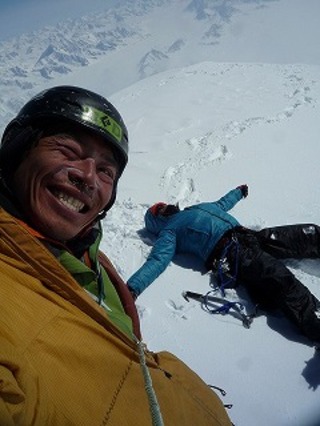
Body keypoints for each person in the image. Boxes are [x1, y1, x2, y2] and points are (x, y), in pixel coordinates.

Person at [0, 86, 232, 426]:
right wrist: (136, 287)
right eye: (66, 150)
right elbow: (158, 260)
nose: (88, 177)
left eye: (106, 171)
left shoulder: (88, 255)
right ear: (16, 152)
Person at [127, 186, 320, 347]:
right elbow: (158, 260)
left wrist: (237, 192)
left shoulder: (195, 208)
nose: (165, 207)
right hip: (235, 254)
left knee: (306, 234)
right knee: (281, 279)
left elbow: (221, 204)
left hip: (250, 237)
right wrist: (133, 288)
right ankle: (315, 321)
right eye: (158, 210)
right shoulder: (169, 231)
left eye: (162, 205)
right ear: (157, 221)